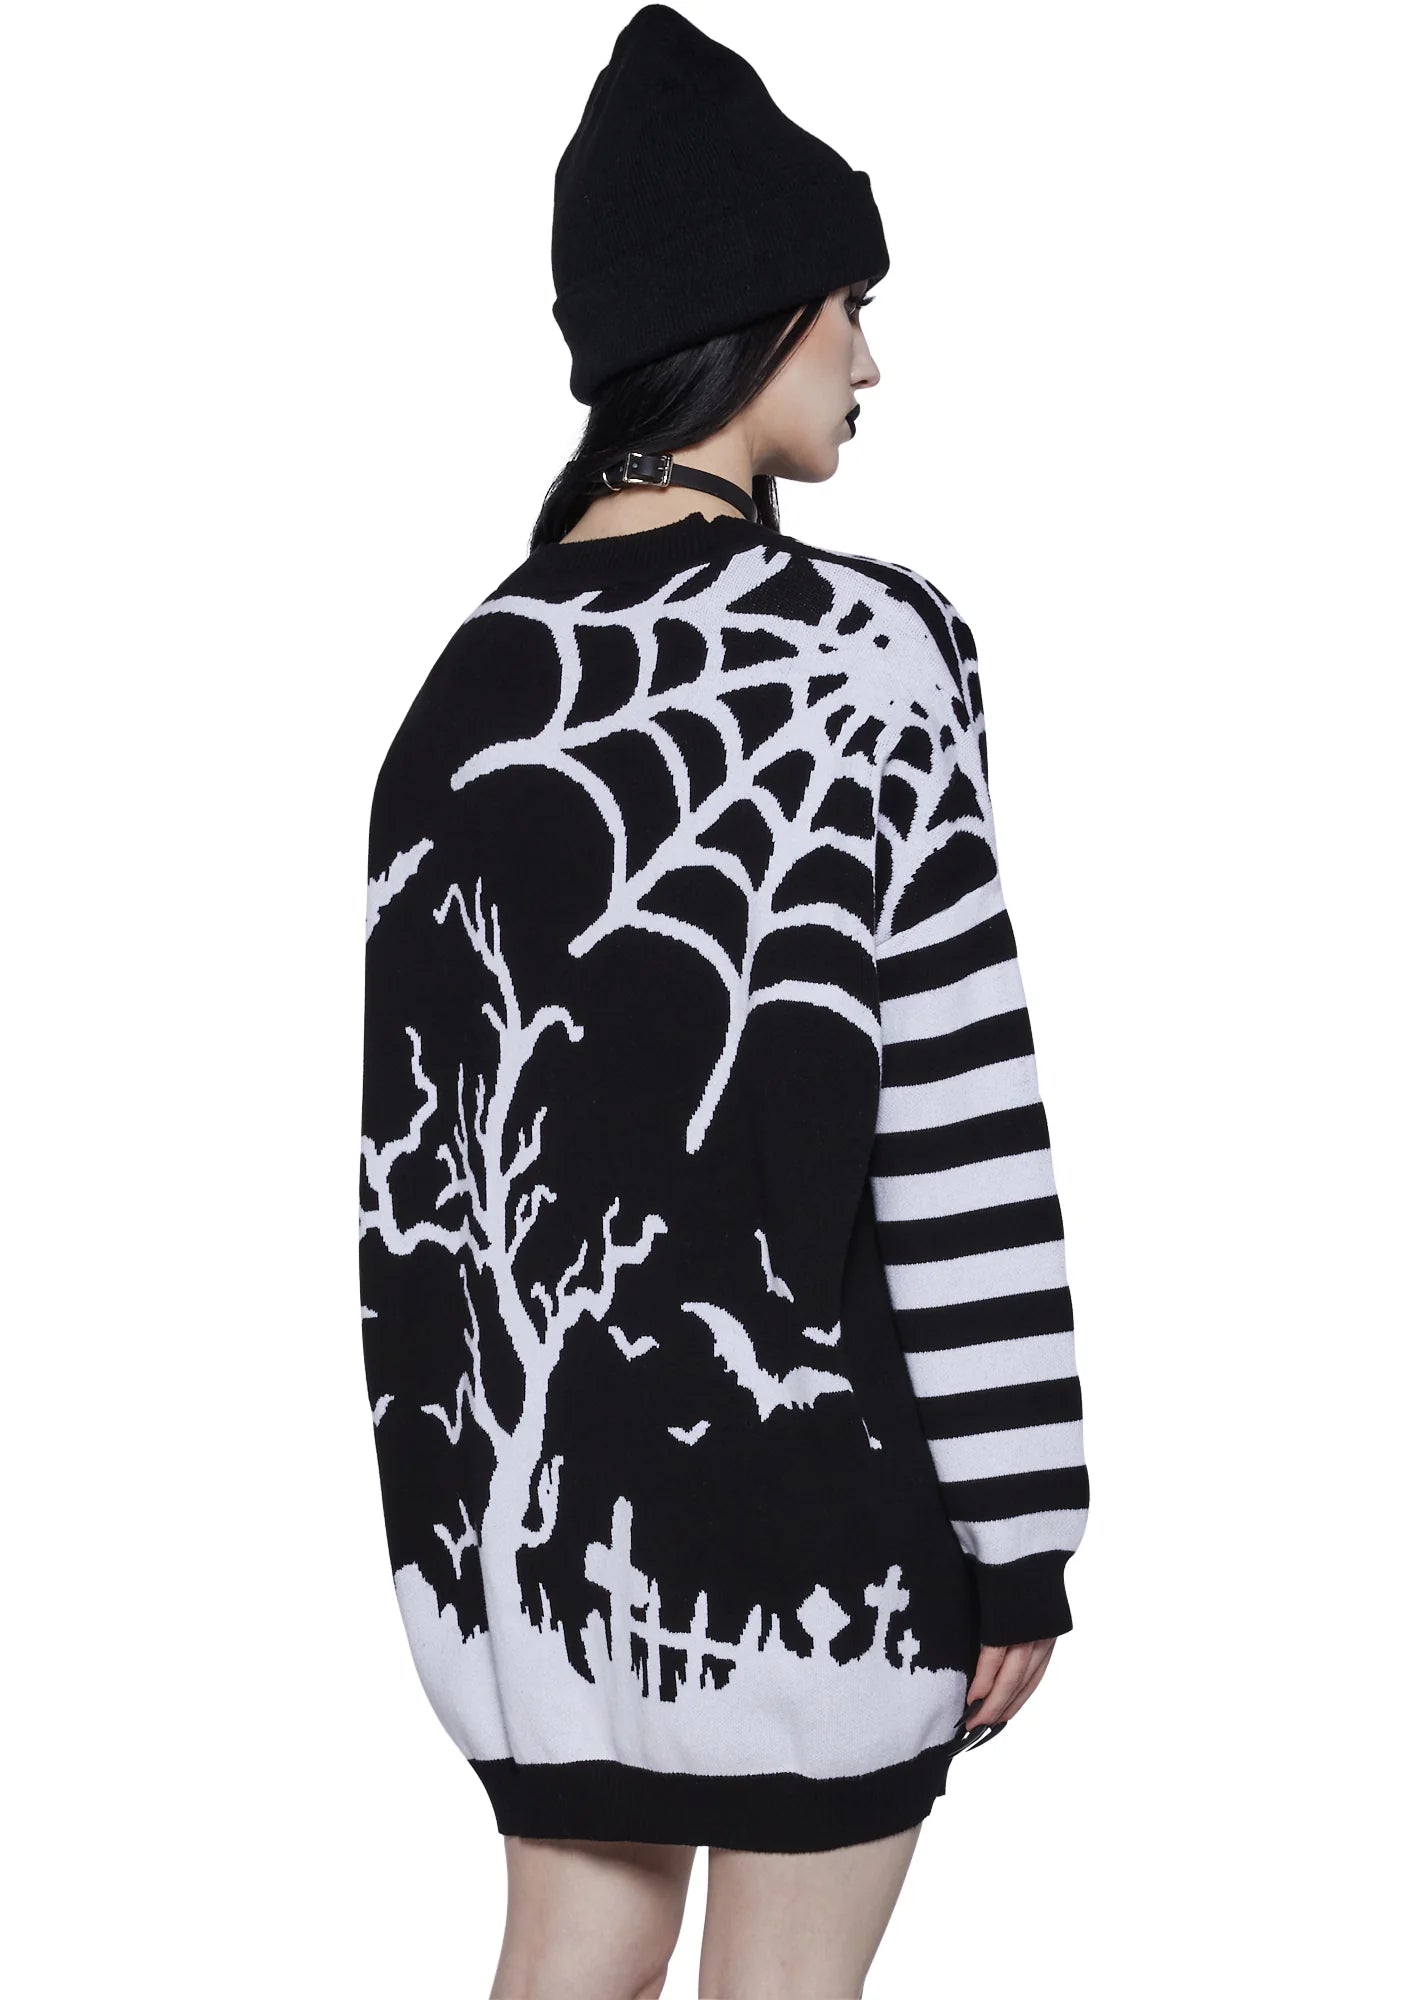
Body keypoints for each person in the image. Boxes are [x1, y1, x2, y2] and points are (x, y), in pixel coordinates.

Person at [357, 8, 1090, 1994]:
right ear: (755, 311)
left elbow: (416, 1208)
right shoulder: (876, 647)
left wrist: (465, 1569)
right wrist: (1021, 1526)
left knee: (562, 1955)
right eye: (850, 305)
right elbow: (953, 1109)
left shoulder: (459, 689)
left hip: (528, 1558)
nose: (870, 359)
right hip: (823, 1525)